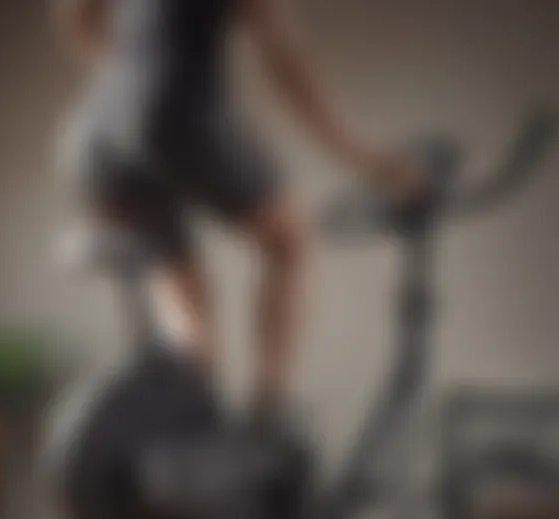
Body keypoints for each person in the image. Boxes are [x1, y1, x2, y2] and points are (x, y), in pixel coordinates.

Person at [51, 0, 425, 418]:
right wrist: (363, 159)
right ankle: (267, 412)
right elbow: (284, 63)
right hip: (172, 112)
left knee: (183, 280)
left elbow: (76, 11)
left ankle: (194, 415)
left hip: (94, 133)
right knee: (289, 241)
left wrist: (122, 73)